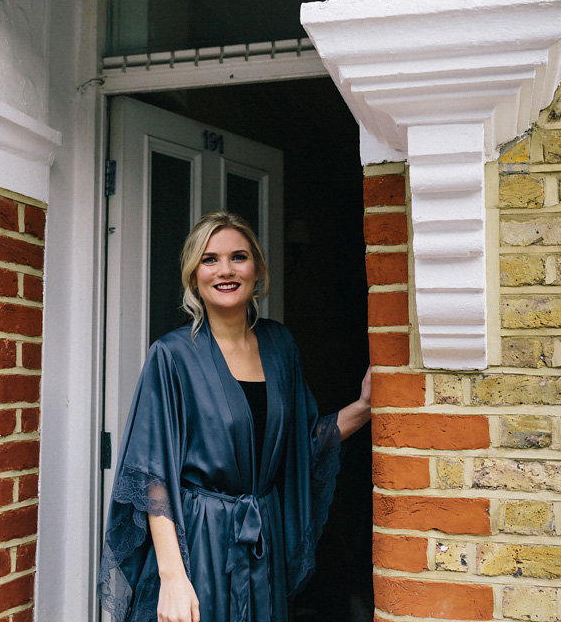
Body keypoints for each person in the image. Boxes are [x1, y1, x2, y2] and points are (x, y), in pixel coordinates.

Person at [98, 210, 372, 622]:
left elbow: (301, 444)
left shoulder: (280, 345)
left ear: (257, 268)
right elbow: (151, 476)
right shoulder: (171, 356)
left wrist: (365, 406)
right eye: (210, 259)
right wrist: (173, 578)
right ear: (194, 276)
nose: (225, 270)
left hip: (262, 541)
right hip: (197, 543)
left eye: (238, 257)